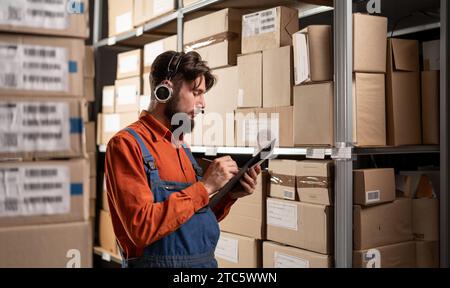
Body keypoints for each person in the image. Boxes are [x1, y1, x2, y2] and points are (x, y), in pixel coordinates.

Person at [104, 51, 261, 268]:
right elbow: (140, 229)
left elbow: (190, 223)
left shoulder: (181, 147)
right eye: (196, 92)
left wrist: (229, 195)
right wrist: (205, 187)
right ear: (166, 90)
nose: (203, 103)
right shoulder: (126, 145)